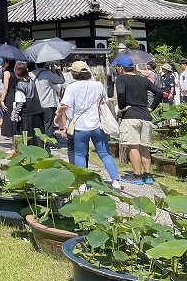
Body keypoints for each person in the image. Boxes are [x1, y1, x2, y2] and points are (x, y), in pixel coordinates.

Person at [54, 61, 121, 190]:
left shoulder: (72, 87)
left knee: (80, 155)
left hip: (81, 125)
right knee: (105, 154)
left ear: (73, 73)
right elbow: (104, 101)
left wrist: (57, 116)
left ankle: (83, 183)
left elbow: (65, 106)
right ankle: (115, 180)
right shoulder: (98, 85)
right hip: (98, 125)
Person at [113, 55, 163, 185]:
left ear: (122, 68)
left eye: (117, 67)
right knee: (144, 147)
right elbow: (159, 92)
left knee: (133, 146)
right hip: (145, 116)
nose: (117, 69)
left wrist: (123, 107)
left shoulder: (121, 79)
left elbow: (121, 93)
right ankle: (147, 175)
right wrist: (151, 108)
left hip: (131, 116)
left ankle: (137, 175)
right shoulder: (143, 80)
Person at [10, 62, 44, 147]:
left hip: (26, 113)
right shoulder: (31, 81)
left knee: (27, 136)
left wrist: (14, 115)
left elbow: (20, 102)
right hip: (36, 110)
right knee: (37, 135)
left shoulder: (20, 85)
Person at [31, 62, 65, 139]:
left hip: (35, 103)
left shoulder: (30, 74)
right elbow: (62, 80)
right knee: (48, 124)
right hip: (48, 103)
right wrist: (56, 70)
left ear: (36, 64)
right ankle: (48, 142)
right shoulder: (49, 74)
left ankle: (38, 141)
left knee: (37, 124)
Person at [0, 59, 20, 139]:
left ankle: (13, 142)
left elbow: (5, 88)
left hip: (9, 96)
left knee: (9, 117)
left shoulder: (6, 73)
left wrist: (1, 100)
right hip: (17, 95)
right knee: (15, 117)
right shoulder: (16, 72)